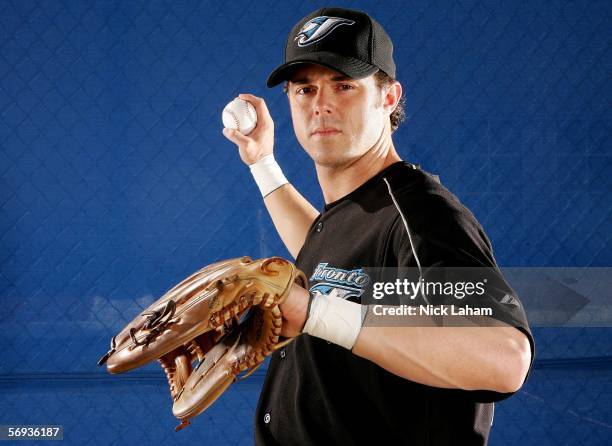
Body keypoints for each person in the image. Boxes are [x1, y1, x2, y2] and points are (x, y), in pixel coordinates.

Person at [223, 7, 535, 445]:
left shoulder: (422, 215)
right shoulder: (356, 212)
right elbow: (341, 270)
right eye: (305, 89)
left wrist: (313, 312)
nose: (321, 104)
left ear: (388, 98)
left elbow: (506, 359)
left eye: (343, 85)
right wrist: (262, 163)